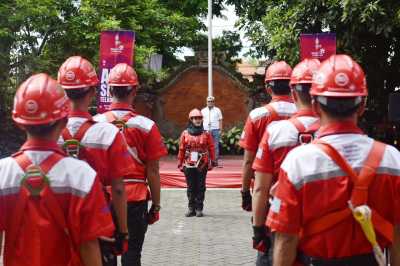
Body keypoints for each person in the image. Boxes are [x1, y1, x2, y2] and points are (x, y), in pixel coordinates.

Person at [268, 54, 400, 266]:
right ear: (362, 105)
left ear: (316, 105)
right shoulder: (392, 160)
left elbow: (285, 239)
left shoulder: (298, 163)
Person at [0, 73, 114, 266]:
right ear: (64, 121)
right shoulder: (82, 176)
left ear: (19, 123)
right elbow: (89, 245)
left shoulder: (3, 173)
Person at [57, 56, 132, 265]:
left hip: (56, 220)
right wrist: (123, 232)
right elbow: (118, 188)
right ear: (93, 90)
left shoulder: (49, 133)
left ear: (62, 91)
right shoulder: (108, 133)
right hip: (98, 221)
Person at [94, 63, 168, 266]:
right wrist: (157, 205)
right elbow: (153, 170)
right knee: (132, 254)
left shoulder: (94, 124)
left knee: (106, 256)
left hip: (103, 199)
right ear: (134, 90)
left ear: (109, 90)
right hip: (135, 199)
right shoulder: (147, 126)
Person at [250, 58, 320, 266]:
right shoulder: (351, 144)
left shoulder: (270, 127)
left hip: (280, 216)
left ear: (294, 91)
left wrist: (257, 228)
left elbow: (260, 186)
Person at [239, 61, 296, 213]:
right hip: (298, 189)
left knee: (264, 233)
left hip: (265, 189)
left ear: (268, 88)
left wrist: (245, 192)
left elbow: (248, 161)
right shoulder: (307, 116)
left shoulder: (257, 116)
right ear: (292, 87)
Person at [178, 109, 216, 217]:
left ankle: (199, 208)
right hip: (188, 163)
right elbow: (181, 149)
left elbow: (211, 148)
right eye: (195, 118)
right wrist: (180, 162)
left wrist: (213, 161)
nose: (197, 120)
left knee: (200, 186)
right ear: (191, 120)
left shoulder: (207, 134)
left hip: (202, 163)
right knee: (190, 186)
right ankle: (191, 208)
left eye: (199, 118)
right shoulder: (185, 133)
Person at [201, 96, 222, 166]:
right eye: (209, 101)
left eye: (212, 101)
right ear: (206, 102)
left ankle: (214, 161)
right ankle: (206, 161)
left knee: (215, 146)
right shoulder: (203, 110)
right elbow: (201, 121)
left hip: (215, 130)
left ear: (214, 102)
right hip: (206, 130)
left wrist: (220, 130)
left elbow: (220, 120)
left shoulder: (217, 110)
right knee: (206, 146)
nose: (210, 103)